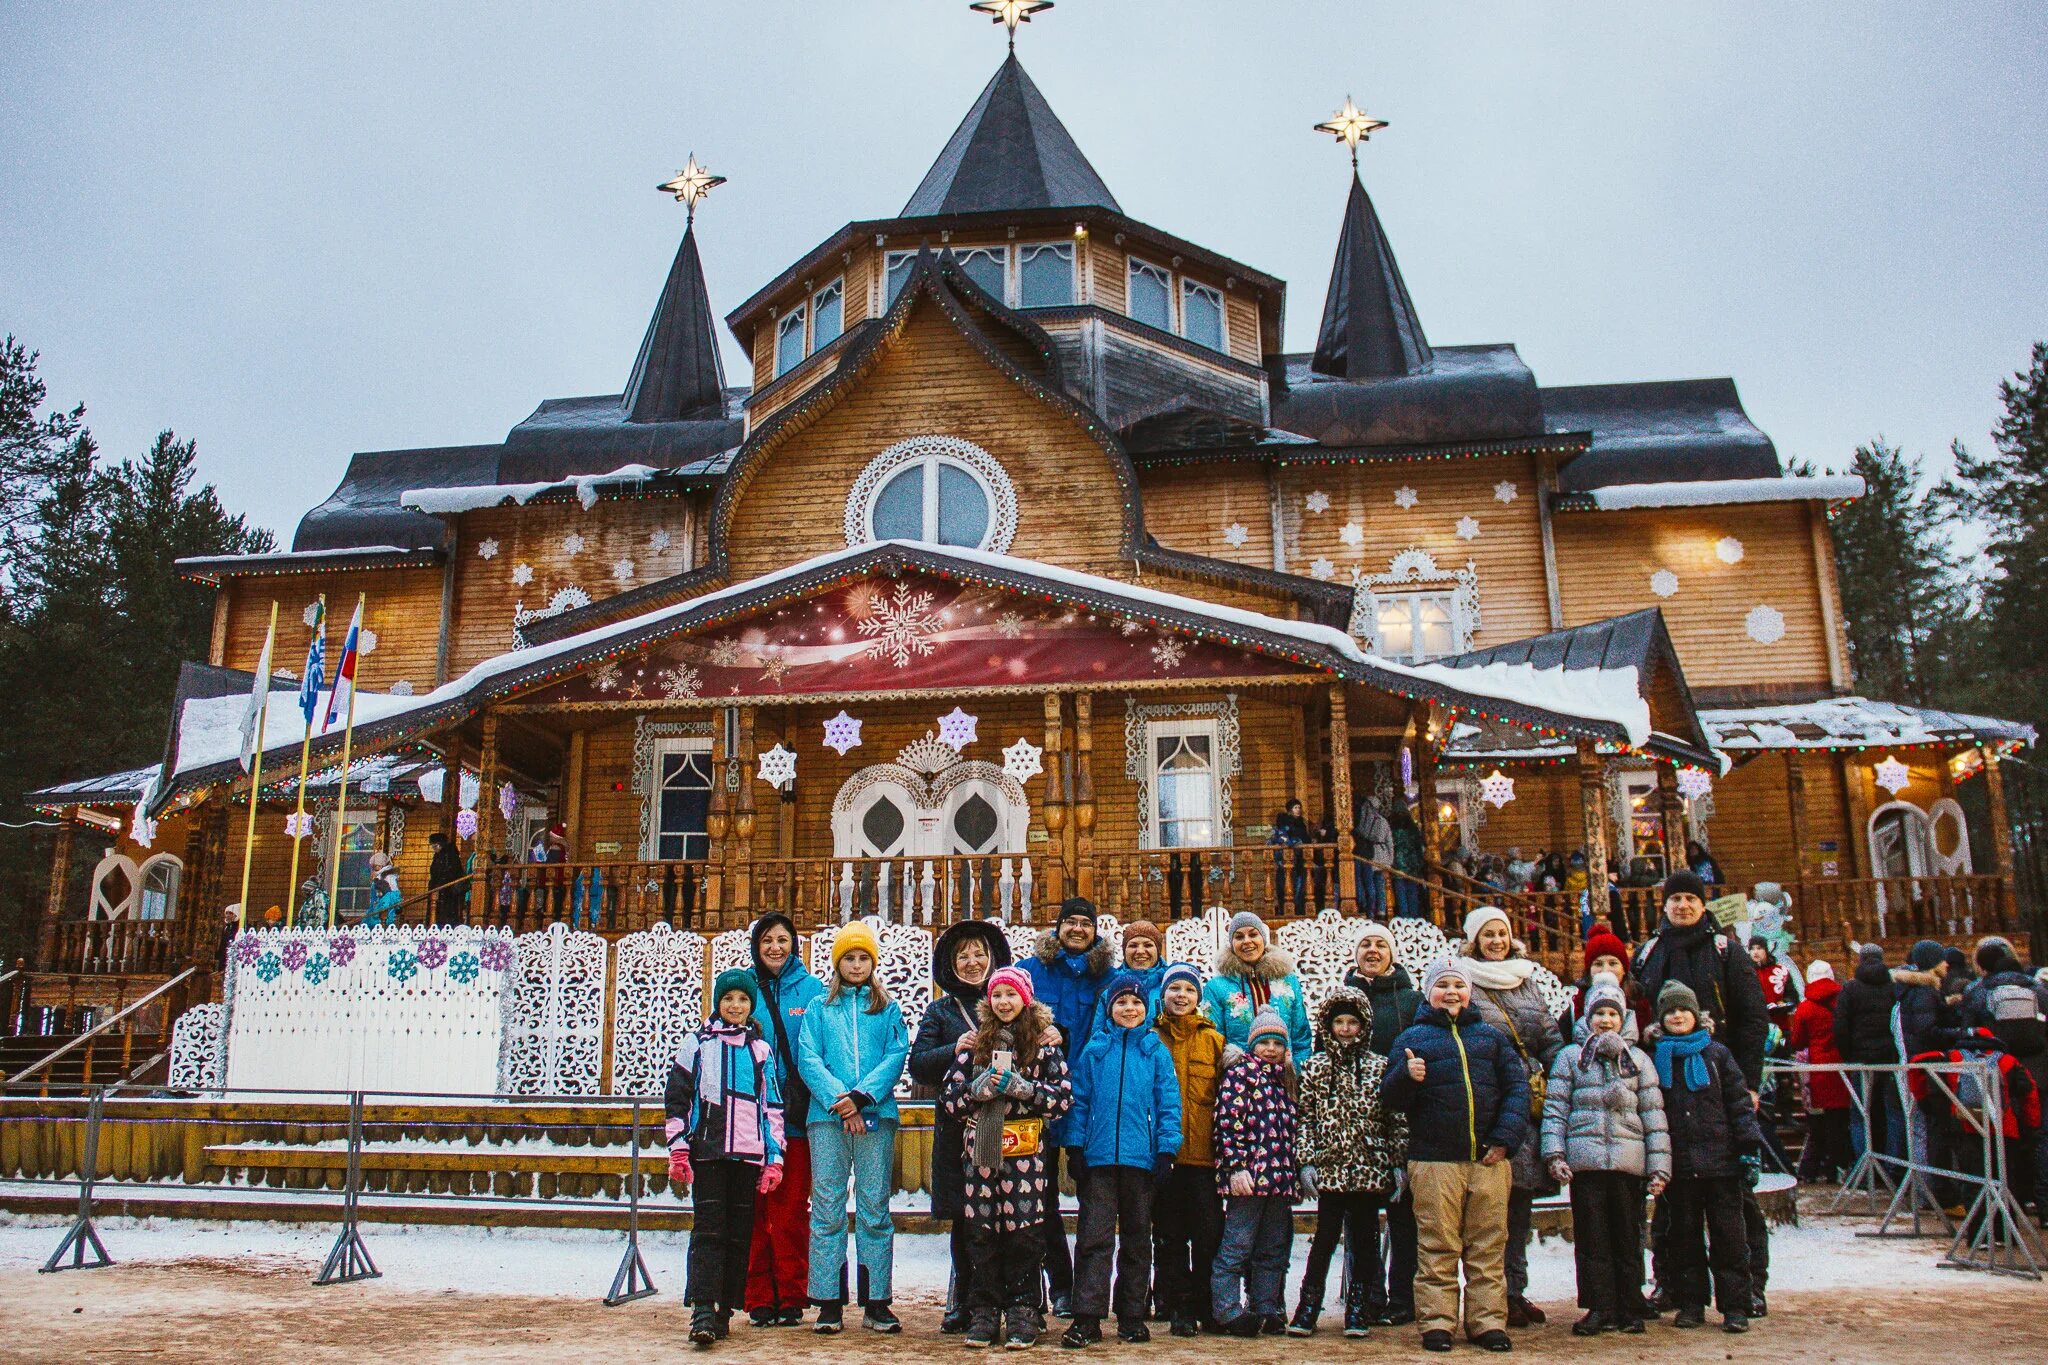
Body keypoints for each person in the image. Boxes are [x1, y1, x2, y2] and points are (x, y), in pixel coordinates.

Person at [1632, 869, 1770, 1316]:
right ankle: (1673, 1282)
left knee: (1735, 1200)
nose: (1684, 906)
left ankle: (1749, 1286)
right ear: (1665, 906)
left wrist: (1749, 1082)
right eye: (1676, 900)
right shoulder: (1650, 953)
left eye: (1692, 898)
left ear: (1703, 904)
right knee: (1671, 1198)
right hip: (1666, 1087)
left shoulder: (1725, 950)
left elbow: (1752, 1018)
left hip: (1721, 1085)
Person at [1380, 959, 1528, 1354]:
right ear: (1429, 993)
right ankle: (1437, 1322)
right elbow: (1390, 1100)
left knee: (1487, 1244)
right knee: (1437, 1245)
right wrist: (1405, 1076)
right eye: (1442, 985)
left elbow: (1516, 1090)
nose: (1450, 992)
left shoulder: (1491, 1039)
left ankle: (1487, 1322)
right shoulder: (1412, 1038)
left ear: (1469, 992)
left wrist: (1505, 1139)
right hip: (1434, 1160)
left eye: (1457, 985)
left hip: (1489, 1160)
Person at [941, 964, 1074, 1350]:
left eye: (1011, 994)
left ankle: (1023, 1308)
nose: (1003, 1002)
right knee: (981, 1232)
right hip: (980, 1152)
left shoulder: (1043, 1045)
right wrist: (976, 1091)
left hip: (1024, 1156)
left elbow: (1062, 1098)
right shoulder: (975, 1044)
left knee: (1024, 1232)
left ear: (1025, 1000)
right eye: (997, 995)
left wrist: (1025, 1089)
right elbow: (950, 1098)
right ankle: (983, 1309)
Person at [794, 922, 909, 1334]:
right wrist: (842, 1102)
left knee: (875, 1205)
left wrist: (863, 1097)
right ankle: (828, 1300)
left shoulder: (887, 1008)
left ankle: (877, 1300)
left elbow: (896, 1054)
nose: (856, 965)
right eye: (849, 958)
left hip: (875, 1116)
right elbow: (809, 1057)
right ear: (837, 963)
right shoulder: (820, 1008)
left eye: (863, 958)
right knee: (827, 1205)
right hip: (827, 1118)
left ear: (872, 963)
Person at [1541, 974, 1669, 1336]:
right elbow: (1556, 1108)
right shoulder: (1571, 1058)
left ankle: (1630, 1304)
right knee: (1592, 1238)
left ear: (1624, 1017)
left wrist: (1658, 1167)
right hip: (1586, 1162)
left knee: (1628, 1237)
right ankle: (1599, 1306)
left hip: (1629, 1163)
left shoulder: (1638, 1060)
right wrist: (1555, 1152)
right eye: (1599, 1014)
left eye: (1613, 1014)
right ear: (1587, 1018)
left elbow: (1654, 1116)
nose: (1606, 1020)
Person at [1459, 906, 1564, 1330]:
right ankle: (1486, 1298)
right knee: (1485, 1211)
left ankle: (1514, 1292)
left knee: (1517, 1208)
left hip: (1524, 1106)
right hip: (1484, 1102)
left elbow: (1550, 1040)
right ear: (1474, 940)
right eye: (1488, 934)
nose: (1496, 941)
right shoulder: (1463, 979)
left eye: (1501, 933)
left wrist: (1559, 1075)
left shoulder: (1527, 982)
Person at [668, 969, 786, 1346]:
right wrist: (679, 1146)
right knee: (708, 1230)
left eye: (743, 1000)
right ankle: (702, 1306)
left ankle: (724, 1310)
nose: (736, 1006)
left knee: (739, 1235)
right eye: (729, 999)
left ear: (752, 1007)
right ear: (718, 1002)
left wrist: (774, 1157)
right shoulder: (698, 1044)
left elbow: (772, 1107)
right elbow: (678, 1097)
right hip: (708, 1153)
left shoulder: (760, 1050)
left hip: (748, 1156)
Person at [1064, 974, 1183, 1348]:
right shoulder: (1095, 1049)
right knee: (1094, 1237)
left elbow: (1168, 1104)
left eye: (1136, 1003)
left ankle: (1132, 1315)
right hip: (1099, 1160)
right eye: (1121, 1003)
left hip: (1140, 1159)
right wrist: (1076, 1147)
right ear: (1109, 1008)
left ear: (1146, 1009)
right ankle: (1087, 1315)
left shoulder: (1155, 1051)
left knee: (1137, 1238)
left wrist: (1166, 1149)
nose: (1129, 1009)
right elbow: (1079, 1101)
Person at [910, 919, 1012, 1334]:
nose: (972, 963)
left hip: (1008, 1127)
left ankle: (1016, 1299)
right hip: (958, 1128)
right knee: (965, 1216)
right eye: (963, 956)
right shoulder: (941, 1010)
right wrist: (956, 1047)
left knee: (1010, 1213)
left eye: (979, 954)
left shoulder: (1009, 1000)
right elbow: (918, 1063)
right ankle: (963, 1296)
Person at [1649, 981, 1762, 1334]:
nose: (1677, 1015)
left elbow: (1739, 1104)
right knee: (1683, 1239)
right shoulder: (1656, 1059)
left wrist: (1747, 1149)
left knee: (1729, 1239)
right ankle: (1691, 1303)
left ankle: (1735, 1305)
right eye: (1669, 1011)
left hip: (1721, 1163)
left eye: (1683, 1009)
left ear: (1697, 1015)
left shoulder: (1717, 1055)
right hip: (1679, 1167)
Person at [1293, 987, 1405, 1338]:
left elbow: (1394, 1117)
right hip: (1330, 1168)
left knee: (1366, 1239)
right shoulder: (1315, 1067)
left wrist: (1396, 1161)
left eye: (1351, 1022)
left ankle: (1359, 1306)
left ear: (1363, 1026)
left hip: (1369, 1166)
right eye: (1338, 1022)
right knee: (1324, 1238)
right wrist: (1306, 1161)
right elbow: (1305, 1118)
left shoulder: (1379, 1066)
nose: (1345, 1029)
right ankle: (1308, 1305)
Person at [1023, 898, 1116, 1315]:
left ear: (1095, 930)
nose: (1077, 929)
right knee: (1038, 1196)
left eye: (1085, 923)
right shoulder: (1032, 970)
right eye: (1070, 922)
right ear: (1057, 927)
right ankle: (1059, 1283)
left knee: (1094, 1196)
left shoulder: (1108, 978)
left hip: (1091, 1102)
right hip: (1036, 1100)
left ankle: (1091, 1291)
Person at [743, 912, 826, 1327]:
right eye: (767, 941)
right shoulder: (742, 988)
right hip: (750, 1120)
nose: (775, 947)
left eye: (783, 939)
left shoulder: (812, 991)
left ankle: (792, 1293)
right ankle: (758, 1294)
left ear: (794, 944)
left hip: (795, 1117)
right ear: (757, 945)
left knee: (791, 1209)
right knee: (755, 1210)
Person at [1342, 921, 1420, 1326]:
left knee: (1403, 1211)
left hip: (1402, 1116)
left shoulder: (1410, 1000)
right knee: (1360, 1214)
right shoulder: (1343, 997)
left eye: (1380, 945)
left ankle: (1403, 1296)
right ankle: (1368, 1295)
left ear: (1392, 953)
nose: (1372, 951)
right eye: (1365, 945)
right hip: (1355, 1119)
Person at [1210, 1008, 1301, 1338]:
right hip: (1249, 1180)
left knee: (1272, 1249)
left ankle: (1264, 1306)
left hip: (1279, 1181)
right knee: (1236, 1246)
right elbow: (1227, 1125)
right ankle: (1226, 1308)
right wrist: (1235, 1167)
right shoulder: (1241, 1076)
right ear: (1253, 1045)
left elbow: (1293, 1130)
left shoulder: (1285, 1080)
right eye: (1265, 1042)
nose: (1272, 1049)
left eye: (1278, 1043)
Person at [1151, 963, 1227, 1337]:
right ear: (1163, 995)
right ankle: (1178, 1305)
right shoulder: (1151, 1038)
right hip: (1165, 1157)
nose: (1181, 995)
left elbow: (1227, 1100)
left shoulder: (1213, 1041)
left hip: (1203, 1156)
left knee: (1208, 1233)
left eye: (1189, 990)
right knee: (1170, 1234)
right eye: (1174, 989)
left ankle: (1206, 1304)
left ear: (1198, 998)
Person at [1200, 911, 1312, 1062]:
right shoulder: (1217, 987)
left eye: (1253, 934)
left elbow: (1301, 1036)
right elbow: (1212, 1041)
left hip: (1284, 1078)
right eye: (1239, 937)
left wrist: (1296, 1072)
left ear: (1263, 939)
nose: (1247, 941)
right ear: (1232, 944)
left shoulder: (1288, 981)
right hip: (1239, 1079)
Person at [1833, 944, 1905, 1165]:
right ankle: (1894, 1167)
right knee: (1891, 1111)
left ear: (1861, 960)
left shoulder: (1851, 989)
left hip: (1861, 1058)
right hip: (1889, 1057)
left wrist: (1849, 1055)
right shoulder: (1893, 987)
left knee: (1860, 1114)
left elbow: (1841, 1025)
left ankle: (1865, 1168)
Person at [1787, 960, 1854, 1184]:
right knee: (1840, 1121)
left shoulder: (1806, 1007)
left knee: (1818, 1122)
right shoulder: (1843, 1001)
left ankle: (1815, 1168)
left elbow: (1797, 1040)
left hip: (1818, 1070)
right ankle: (1839, 1167)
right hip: (1843, 1068)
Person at [1087, 921, 1167, 1036]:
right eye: (1133, 945)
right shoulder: (1110, 986)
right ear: (1124, 951)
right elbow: (1098, 1035)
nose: (1140, 951)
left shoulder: (1172, 986)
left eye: (1148, 945)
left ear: (1158, 950)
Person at [1567, 930, 1651, 1038]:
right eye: (1598, 964)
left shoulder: (1639, 1004)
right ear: (1589, 970)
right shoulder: (1576, 1006)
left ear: (1624, 969)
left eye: (1613, 963)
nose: (1605, 970)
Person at [1958, 936, 2048, 1029]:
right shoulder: (2035, 986)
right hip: (2035, 1041)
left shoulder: (1975, 990)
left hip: (1992, 1041)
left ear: (1980, 964)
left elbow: (1968, 1028)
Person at [1269, 798, 1312, 917]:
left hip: (1300, 860)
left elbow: (1306, 839)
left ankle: (1298, 910)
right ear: (1290, 810)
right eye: (1295, 808)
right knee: (1286, 886)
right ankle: (1286, 910)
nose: (1298, 810)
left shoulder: (1301, 823)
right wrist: (1295, 841)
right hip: (1286, 861)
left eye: (1299, 807)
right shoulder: (1284, 824)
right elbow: (1283, 839)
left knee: (1300, 887)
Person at [1355, 794, 1393, 915]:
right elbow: (1389, 841)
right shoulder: (1383, 821)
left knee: (1374, 883)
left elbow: (1366, 834)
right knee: (1379, 884)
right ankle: (1381, 910)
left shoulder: (1367, 821)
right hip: (1381, 854)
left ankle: (1375, 909)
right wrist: (1390, 858)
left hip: (1372, 854)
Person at [1750, 938, 1799, 1031]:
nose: (1755, 952)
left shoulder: (1781, 971)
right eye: (1752, 949)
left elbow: (1793, 996)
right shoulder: (1745, 973)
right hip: (1756, 1028)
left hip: (1780, 1025)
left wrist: (1784, 1003)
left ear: (1766, 950)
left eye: (1759, 948)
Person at [1391, 807, 1426, 917]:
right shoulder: (1413, 830)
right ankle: (1413, 917)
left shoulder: (1393, 831)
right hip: (1412, 866)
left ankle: (1405, 918)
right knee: (1412, 893)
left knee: (1402, 894)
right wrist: (1420, 864)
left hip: (1398, 866)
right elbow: (1419, 848)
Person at [427, 831, 467, 927]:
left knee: (447, 912)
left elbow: (453, 872)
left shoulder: (450, 855)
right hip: (439, 889)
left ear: (441, 845)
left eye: (435, 846)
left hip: (448, 890)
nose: (434, 849)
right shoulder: (438, 856)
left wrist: (441, 883)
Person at [363, 851, 401, 926]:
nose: (373, 868)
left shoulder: (388, 876)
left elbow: (393, 892)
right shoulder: (379, 875)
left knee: (377, 920)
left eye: (375, 866)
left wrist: (384, 903)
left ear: (380, 865)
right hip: (377, 903)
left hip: (385, 903)